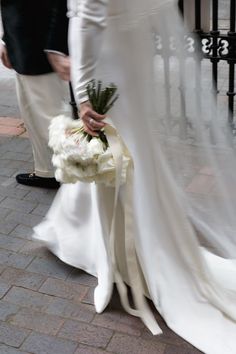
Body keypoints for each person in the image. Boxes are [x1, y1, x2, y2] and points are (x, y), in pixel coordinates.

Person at [33, 0, 236, 352]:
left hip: (103, 62)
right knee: (127, 151)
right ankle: (90, 232)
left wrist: (83, 96)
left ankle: (127, 247)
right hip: (123, 56)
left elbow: (88, 19)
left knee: (114, 151)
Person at [0, 0, 70, 188]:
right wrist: (7, 39)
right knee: (32, 115)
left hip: (41, 46)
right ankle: (47, 171)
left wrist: (56, 47)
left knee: (52, 118)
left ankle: (75, 176)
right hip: (22, 41)